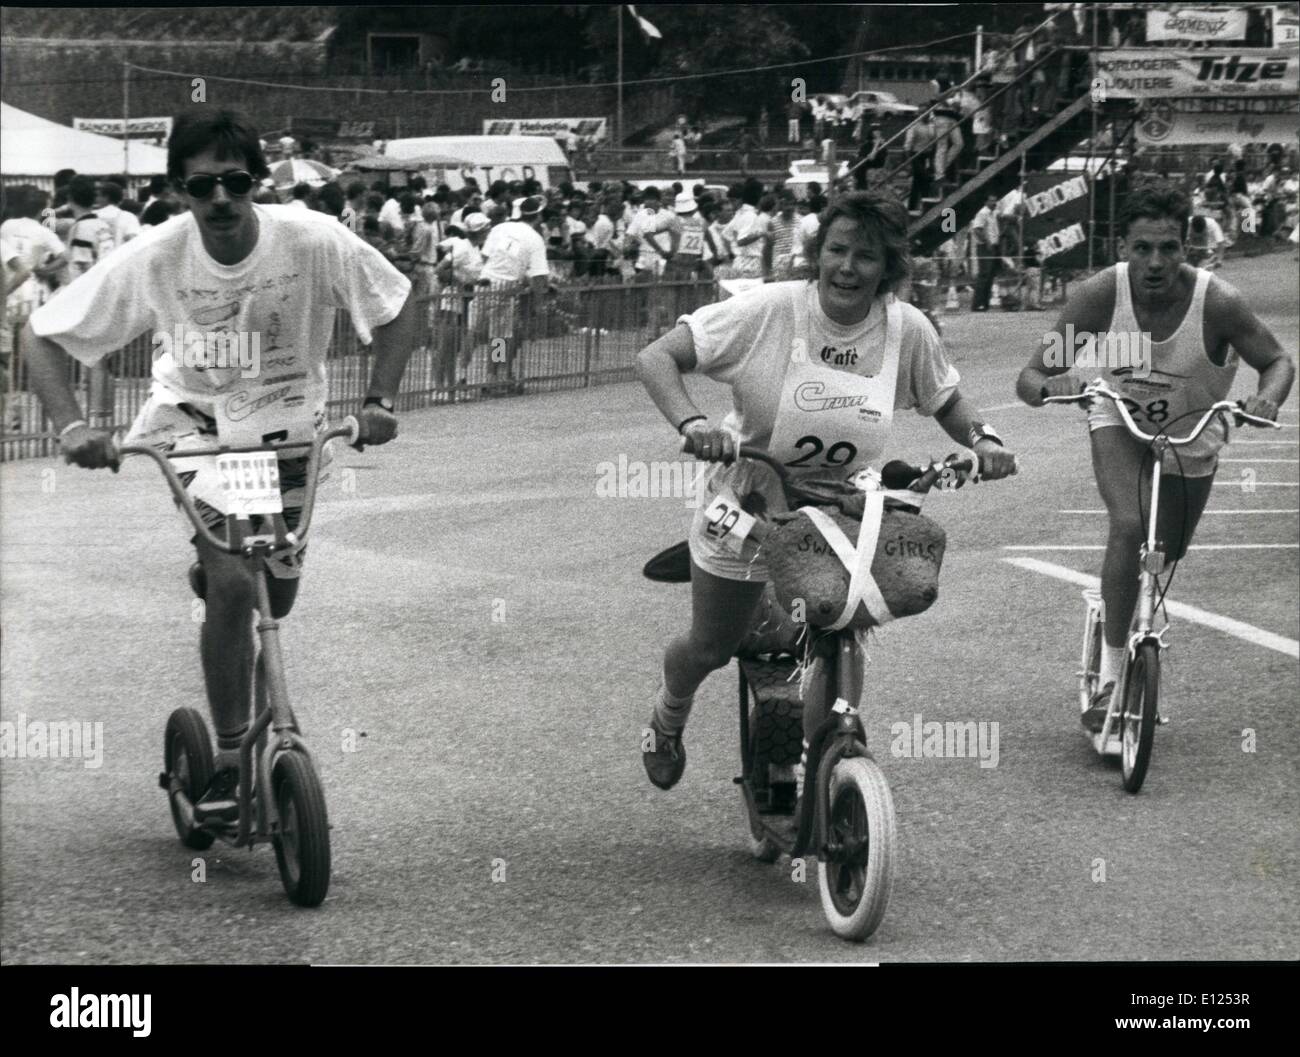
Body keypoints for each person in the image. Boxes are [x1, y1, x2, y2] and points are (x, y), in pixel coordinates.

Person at [21, 110, 417, 821]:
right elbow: (42, 336)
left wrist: (382, 398)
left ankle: (220, 581)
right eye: (203, 187)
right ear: (179, 189)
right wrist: (76, 426)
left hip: (291, 428)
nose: (221, 201)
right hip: (198, 427)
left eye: (236, 182)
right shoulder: (158, 254)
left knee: (277, 598)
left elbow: (399, 303)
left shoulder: (311, 238)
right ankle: (232, 754)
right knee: (237, 581)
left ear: (257, 182)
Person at [634, 191, 1017, 791]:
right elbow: (658, 357)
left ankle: (831, 763)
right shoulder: (771, 310)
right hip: (748, 507)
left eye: (865, 256)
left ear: (887, 268)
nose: (847, 267)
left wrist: (986, 440)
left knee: (841, 633)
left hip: (842, 516)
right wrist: (694, 425)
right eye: (836, 250)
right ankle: (667, 715)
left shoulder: (904, 329)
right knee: (712, 645)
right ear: (818, 255)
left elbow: (945, 399)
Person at [1016, 184, 1294, 731]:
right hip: (1118, 420)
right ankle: (1113, 675)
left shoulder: (1219, 302)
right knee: (1129, 525)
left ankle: (1121, 601)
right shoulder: (1100, 296)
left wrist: (1268, 398)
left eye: (1168, 248)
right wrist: (1053, 386)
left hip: (1193, 432)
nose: (1154, 262)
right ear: (1123, 247)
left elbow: (1278, 360)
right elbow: (1029, 377)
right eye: (1142, 248)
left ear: (1186, 248)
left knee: (1166, 552)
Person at [466, 193, 549, 396]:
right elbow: (539, 277)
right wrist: (539, 305)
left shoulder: (499, 228)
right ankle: (493, 377)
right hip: (507, 288)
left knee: (472, 332)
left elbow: (485, 256)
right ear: (538, 216)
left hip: (485, 283)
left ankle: (464, 374)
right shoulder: (535, 239)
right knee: (499, 337)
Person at [969, 193, 1001, 311]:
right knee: (984, 274)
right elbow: (977, 229)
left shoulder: (993, 214)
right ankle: (977, 304)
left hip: (993, 246)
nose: (994, 203)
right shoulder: (983, 213)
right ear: (986, 202)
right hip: (985, 247)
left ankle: (985, 303)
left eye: (995, 200)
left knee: (990, 275)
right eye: (991, 201)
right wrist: (987, 242)